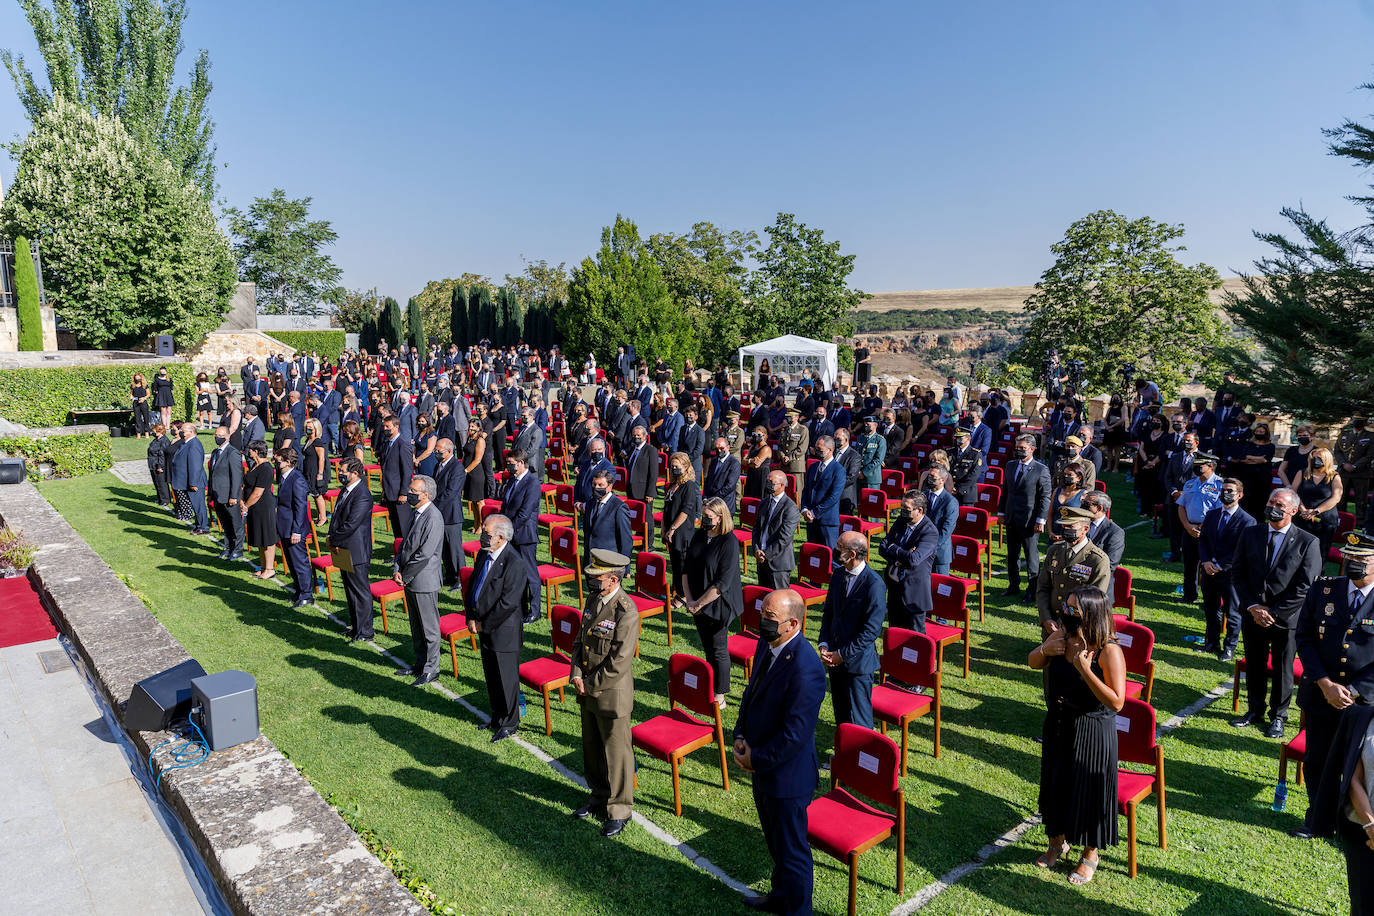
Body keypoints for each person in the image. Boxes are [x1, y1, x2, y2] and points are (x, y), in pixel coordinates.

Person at [734, 588, 826, 915]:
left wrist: (754, 759)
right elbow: (751, 693)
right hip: (762, 768)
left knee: (793, 852)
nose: (762, 623)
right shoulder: (767, 644)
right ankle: (779, 896)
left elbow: (794, 736)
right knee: (776, 845)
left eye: (770, 618)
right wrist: (740, 734)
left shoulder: (807, 668)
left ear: (793, 624)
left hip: (787, 778)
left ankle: (798, 910)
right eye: (762, 614)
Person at [1029, 586, 1126, 886]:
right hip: (1058, 723)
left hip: (1093, 730)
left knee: (1088, 793)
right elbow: (1033, 661)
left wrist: (1085, 669)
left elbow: (1117, 701)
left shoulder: (1109, 651)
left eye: (1074, 609)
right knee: (1056, 785)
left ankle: (1090, 854)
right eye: (1066, 607)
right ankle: (1057, 842)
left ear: (1093, 614)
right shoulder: (1062, 636)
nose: (1066, 612)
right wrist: (1045, 649)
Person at [1290, 533, 1374, 844]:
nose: (1354, 563)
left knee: (1358, 766)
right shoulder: (1324, 589)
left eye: (1362, 559)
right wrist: (1325, 684)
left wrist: (1351, 690)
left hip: (1363, 702)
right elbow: (1305, 637)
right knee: (1317, 760)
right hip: (1320, 694)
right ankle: (1318, 821)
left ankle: (1355, 822)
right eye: (1350, 557)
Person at [1229, 488, 1324, 739]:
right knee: (1255, 664)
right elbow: (1238, 573)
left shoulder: (1307, 541)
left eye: (1279, 504)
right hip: (1253, 614)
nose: (1273, 506)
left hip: (1287, 619)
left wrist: (1274, 612)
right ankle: (1255, 710)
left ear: (1293, 510)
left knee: (1283, 669)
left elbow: (1306, 585)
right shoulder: (1251, 533)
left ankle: (1279, 717)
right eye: (1271, 501)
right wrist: (1253, 607)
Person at [569, 549, 641, 839]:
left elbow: (620, 662)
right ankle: (598, 796)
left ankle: (620, 809)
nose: (590, 581)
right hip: (586, 687)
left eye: (596, 578)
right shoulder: (594, 599)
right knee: (592, 748)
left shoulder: (627, 611)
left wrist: (589, 684)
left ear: (613, 580)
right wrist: (575, 673)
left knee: (616, 754)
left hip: (610, 694)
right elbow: (580, 641)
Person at [465, 514, 532, 742]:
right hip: (483, 626)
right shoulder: (485, 555)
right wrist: (471, 616)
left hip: (503, 631)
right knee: (492, 676)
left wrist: (484, 624)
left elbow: (508, 603)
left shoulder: (515, 563)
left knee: (506, 679)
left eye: (487, 532)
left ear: (500, 537)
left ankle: (510, 722)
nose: (483, 535)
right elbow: (473, 586)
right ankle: (496, 717)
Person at [817, 530, 886, 729]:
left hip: (857, 664)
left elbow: (870, 632)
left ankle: (858, 758)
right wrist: (824, 643)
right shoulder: (838, 574)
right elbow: (829, 612)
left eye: (839, 548)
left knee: (859, 720)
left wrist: (842, 654)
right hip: (834, 659)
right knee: (841, 714)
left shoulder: (874, 585)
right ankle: (842, 757)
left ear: (852, 554)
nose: (835, 550)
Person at [680, 497, 743, 708]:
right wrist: (689, 599)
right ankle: (710, 684)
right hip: (696, 601)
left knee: (718, 649)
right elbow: (686, 569)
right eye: (703, 516)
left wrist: (698, 605)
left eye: (708, 517)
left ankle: (719, 695)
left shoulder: (729, 542)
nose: (703, 520)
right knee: (707, 647)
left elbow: (722, 583)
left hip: (718, 603)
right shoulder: (699, 535)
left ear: (720, 517)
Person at [393, 474, 445, 686]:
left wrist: (404, 575)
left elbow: (424, 554)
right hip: (410, 578)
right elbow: (405, 545)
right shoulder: (417, 514)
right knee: (416, 626)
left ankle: (432, 669)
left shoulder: (433, 517)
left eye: (414, 491)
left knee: (429, 628)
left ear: (426, 495)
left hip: (423, 580)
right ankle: (420, 663)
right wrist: (397, 567)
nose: (409, 493)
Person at [1037, 507, 1113, 630]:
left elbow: (1094, 602)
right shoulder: (1054, 551)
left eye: (1071, 527)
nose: (1066, 530)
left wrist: (1065, 625)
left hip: (1078, 627)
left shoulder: (1097, 559)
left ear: (1085, 529)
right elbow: (1043, 587)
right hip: (1051, 624)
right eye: (1064, 526)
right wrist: (1046, 618)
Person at [328, 457, 376, 643]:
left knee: (360, 591)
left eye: (343, 471)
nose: (340, 473)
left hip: (356, 551)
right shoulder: (345, 491)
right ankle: (356, 627)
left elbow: (352, 524)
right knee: (349, 589)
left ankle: (365, 631)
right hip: (343, 548)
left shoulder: (362, 494)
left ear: (355, 473)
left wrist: (333, 539)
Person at [1002, 434, 1053, 605]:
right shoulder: (1010, 465)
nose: (1019, 451)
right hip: (1011, 518)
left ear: (1032, 449)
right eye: (1017, 448)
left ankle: (1032, 590)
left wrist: (1041, 520)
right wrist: (1001, 513)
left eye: (1022, 448)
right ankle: (1013, 585)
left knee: (1031, 557)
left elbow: (1045, 497)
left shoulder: (1041, 469)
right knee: (1012, 555)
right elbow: (1005, 491)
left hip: (1030, 520)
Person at [879, 490, 938, 632]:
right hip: (894, 588)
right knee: (894, 633)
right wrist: (900, 555)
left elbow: (913, 559)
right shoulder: (901, 521)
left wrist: (894, 549)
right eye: (902, 507)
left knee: (915, 639)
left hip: (914, 594)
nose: (902, 511)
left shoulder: (929, 531)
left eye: (907, 509)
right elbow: (882, 548)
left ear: (919, 510)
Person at [1176, 451, 1224, 606]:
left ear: (1210, 466)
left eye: (1199, 465)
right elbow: (1181, 506)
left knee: (1208, 565)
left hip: (1209, 531)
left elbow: (1219, 510)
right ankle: (1189, 595)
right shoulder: (1190, 483)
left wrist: (1202, 528)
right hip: (1189, 529)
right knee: (1189, 564)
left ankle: (1209, 598)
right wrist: (1188, 526)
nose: (1196, 467)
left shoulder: (1220, 485)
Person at [500, 449, 543, 623]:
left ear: (522, 463)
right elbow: (505, 506)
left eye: (512, 463)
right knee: (516, 573)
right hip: (511, 533)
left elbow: (525, 514)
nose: (509, 466)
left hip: (524, 535)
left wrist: (508, 531)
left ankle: (534, 610)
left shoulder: (532, 483)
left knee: (530, 574)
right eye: (507, 463)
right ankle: (520, 606)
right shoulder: (511, 481)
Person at [274, 448, 315, 609]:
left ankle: (306, 594)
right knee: (291, 561)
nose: (275, 463)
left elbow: (300, 507)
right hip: (285, 526)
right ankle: (299, 590)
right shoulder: (284, 477)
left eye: (278, 461)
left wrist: (296, 531)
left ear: (288, 462)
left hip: (294, 529)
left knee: (299, 562)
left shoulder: (297, 479)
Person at [661, 452, 702, 600]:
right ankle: (677, 590)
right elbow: (665, 508)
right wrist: (664, 527)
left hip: (682, 531)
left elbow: (686, 510)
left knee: (682, 563)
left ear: (686, 467)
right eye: (672, 466)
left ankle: (683, 596)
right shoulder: (672, 485)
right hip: (670, 530)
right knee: (675, 563)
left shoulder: (689, 486)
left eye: (677, 466)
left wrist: (672, 528)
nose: (674, 469)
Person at [1293, 446, 1345, 562]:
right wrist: (1303, 509)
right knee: (1297, 551)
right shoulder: (1302, 473)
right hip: (1302, 516)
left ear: (1327, 460)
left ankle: (1317, 577)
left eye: (1319, 458)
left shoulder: (1334, 477)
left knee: (1320, 554)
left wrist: (1316, 511)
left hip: (1325, 520)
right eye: (1314, 457)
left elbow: (1336, 497)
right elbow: (1293, 493)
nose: (1316, 460)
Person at [755, 471, 801, 591]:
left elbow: (784, 537)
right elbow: (756, 529)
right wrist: (756, 549)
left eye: (772, 483)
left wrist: (766, 554)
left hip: (778, 564)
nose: (768, 485)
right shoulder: (764, 503)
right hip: (761, 559)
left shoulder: (790, 508)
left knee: (779, 602)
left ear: (782, 485)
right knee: (763, 600)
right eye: (768, 481)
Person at [582, 468, 634, 566]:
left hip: (609, 562)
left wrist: (625, 567)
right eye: (594, 484)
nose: (596, 488)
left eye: (600, 485)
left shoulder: (619, 507)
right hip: (591, 560)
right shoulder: (590, 503)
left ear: (610, 487)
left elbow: (625, 539)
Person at [433, 439, 466, 588]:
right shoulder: (438, 465)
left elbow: (450, 493)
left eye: (439, 451)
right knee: (445, 548)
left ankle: (461, 578)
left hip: (451, 514)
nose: (436, 453)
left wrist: (433, 507)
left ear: (449, 451)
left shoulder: (457, 468)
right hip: (440, 513)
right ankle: (450, 575)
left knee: (454, 549)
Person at [242, 441, 278, 580]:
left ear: (256, 451)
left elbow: (258, 492)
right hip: (253, 507)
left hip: (263, 506)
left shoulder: (266, 468)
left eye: (250, 450)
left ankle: (270, 568)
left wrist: (246, 505)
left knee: (267, 537)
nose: (248, 452)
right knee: (259, 537)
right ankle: (263, 567)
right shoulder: (254, 465)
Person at [800, 435, 843, 549]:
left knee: (830, 558)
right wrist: (804, 509)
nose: (817, 452)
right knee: (814, 556)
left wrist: (814, 513)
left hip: (827, 522)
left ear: (830, 450)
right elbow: (806, 491)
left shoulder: (838, 470)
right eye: (816, 449)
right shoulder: (813, 467)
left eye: (820, 450)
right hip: (810, 521)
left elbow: (833, 497)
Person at [207, 426, 244, 561]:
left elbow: (236, 476)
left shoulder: (232, 453)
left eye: (220, 435)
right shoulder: (215, 452)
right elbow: (212, 474)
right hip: (217, 495)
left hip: (229, 495)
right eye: (216, 435)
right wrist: (210, 493)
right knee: (225, 524)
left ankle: (238, 549)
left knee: (235, 524)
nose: (217, 437)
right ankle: (228, 547)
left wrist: (234, 496)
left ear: (228, 436)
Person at [1082, 491, 1125, 596]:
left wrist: (1080, 571)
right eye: (1083, 502)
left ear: (1099, 508)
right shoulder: (1079, 524)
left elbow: (1110, 564)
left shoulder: (1115, 532)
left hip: (1098, 588)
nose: (1082, 507)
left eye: (1087, 505)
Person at [380, 415, 415, 538]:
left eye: (387, 426)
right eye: (384, 426)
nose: (385, 429)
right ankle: (397, 554)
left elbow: (407, 471)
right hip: (389, 491)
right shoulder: (387, 443)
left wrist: (404, 492)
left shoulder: (402, 445)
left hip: (399, 493)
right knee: (395, 526)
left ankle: (405, 555)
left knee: (403, 526)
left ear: (396, 427)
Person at [171, 423, 209, 534]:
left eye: (183, 430)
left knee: (198, 505)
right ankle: (198, 525)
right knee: (195, 505)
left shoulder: (194, 445)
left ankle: (203, 527)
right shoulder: (187, 443)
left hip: (194, 481)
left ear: (191, 432)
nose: (180, 432)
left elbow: (195, 466)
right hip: (186, 480)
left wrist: (193, 483)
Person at [1336, 415, 1372, 515]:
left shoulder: (1370, 436)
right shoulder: (1344, 434)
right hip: (1344, 473)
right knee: (1341, 499)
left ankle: (1360, 525)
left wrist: (1355, 466)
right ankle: (1341, 521)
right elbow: (1337, 452)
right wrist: (1343, 464)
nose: (1357, 422)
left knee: (1361, 501)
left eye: (1360, 420)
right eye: (1356, 420)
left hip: (1361, 473)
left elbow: (1370, 455)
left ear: (1365, 422)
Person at [702, 436, 741, 515]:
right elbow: (708, 480)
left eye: (721, 448)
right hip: (711, 502)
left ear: (728, 447)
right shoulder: (714, 461)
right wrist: (705, 497)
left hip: (725, 504)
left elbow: (730, 486)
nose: (719, 451)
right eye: (716, 449)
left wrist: (714, 499)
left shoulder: (734, 463)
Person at [302, 418, 329, 528]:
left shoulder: (317, 441)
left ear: (316, 429)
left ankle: (323, 518)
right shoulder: (308, 440)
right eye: (307, 427)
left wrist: (320, 474)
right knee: (314, 495)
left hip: (315, 471)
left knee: (317, 494)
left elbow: (321, 458)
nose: (308, 429)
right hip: (308, 470)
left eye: (310, 428)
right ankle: (319, 516)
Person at [950, 426, 985, 506]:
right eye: (956, 437)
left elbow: (974, 474)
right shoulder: (950, 452)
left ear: (968, 438)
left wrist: (959, 489)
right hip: (950, 491)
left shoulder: (975, 454)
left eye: (960, 438)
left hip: (966, 494)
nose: (957, 440)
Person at [1278, 424, 1319, 488]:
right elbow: (1281, 470)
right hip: (1289, 485)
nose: (1302, 437)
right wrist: (1288, 485)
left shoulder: (1317, 451)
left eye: (1305, 435)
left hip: (1308, 487)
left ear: (1312, 436)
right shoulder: (1291, 450)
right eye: (1299, 435)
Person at [778, 407, 809, 487]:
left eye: (790, 417)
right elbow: (780, 446)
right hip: (784, 466)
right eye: (787, 416)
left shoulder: (802, 430)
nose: (788, 419)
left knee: (797, 491)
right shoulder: (784, 429)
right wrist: (782, 456)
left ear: (797, 417)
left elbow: (802, 448)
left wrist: (789, 457)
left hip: (796, 466)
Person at [147, 423, 173, 507]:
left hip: (159, 465)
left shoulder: (164, 441)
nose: (153, 433)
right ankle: (160, 498)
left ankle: (165, 499)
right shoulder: (156, 440)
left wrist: (160, 466)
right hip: (153, 464)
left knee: (161, 483)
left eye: (154, 431)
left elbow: (162, 455)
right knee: (156, 482)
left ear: (160, 432)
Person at [152, 365, 175, 430]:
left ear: (166, 371)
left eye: (163, 371)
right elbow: (155, 389)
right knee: (163, 411)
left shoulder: (169, 379)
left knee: (169, 411)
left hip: (168, 396)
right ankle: (164, 426)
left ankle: (168, 427)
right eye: (161, 371)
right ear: (160, 372)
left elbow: (171, 388)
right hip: (161, 396)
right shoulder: (157, 380)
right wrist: (159, 393)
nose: (162, 372)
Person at [131, 373, 151, 439]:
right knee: (137, 419)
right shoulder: (133, 386)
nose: (137, 379)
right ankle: (138, 434)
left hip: (143, 402)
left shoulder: (145, 385)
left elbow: (148, 394)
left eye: (138, 378)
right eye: (136, 378)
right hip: (136, 403)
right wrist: (132, 398)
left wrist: (143, 398)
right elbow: (131, 394)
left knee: (146, 418)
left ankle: (146, 433)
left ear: (141, 378)